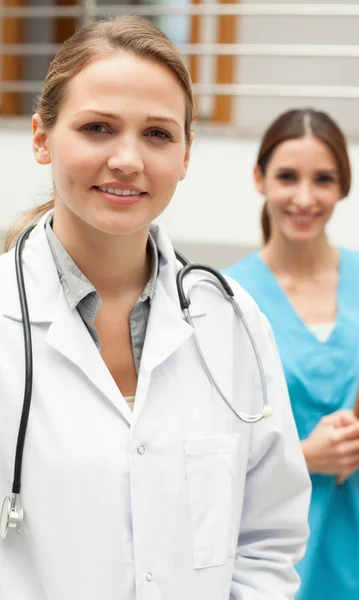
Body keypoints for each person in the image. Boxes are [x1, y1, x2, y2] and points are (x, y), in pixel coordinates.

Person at [0, 16, 311, 600]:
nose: (127, 159)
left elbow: (268, 536)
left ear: (188, 153)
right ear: (41, 137)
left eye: (158, 134)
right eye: (97, 127)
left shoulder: (234, 321)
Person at [224, 108, 359, 600]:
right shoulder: (223, 299)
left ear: (343, 186)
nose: (304, 198)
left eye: (323, 179)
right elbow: (200, 450)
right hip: (266, 561)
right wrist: (304, 457)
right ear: (259, 179)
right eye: (287, 177)